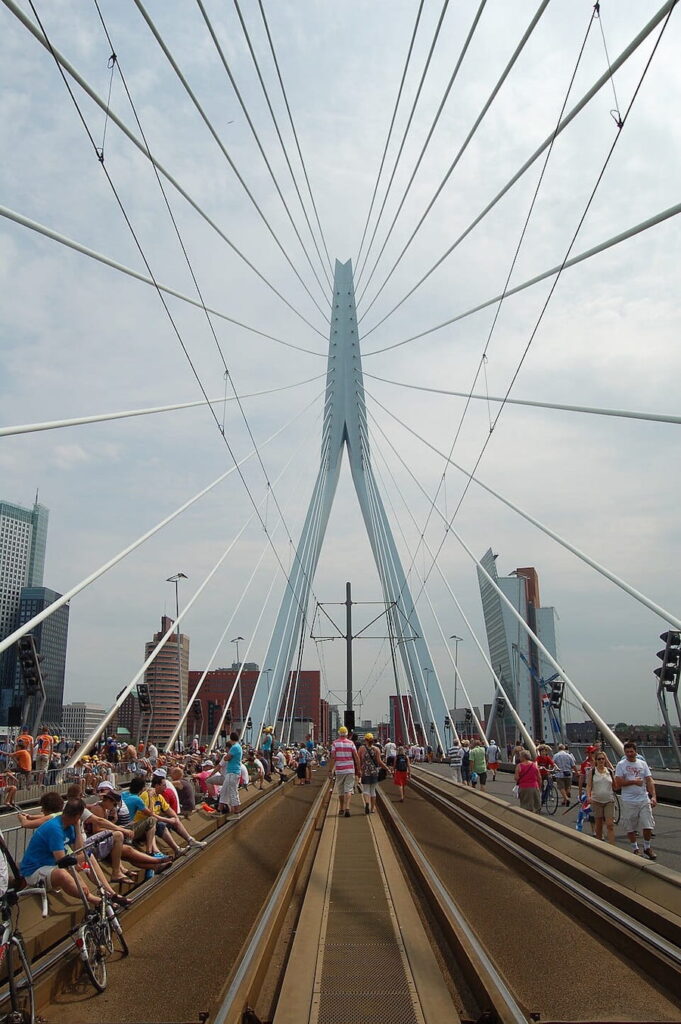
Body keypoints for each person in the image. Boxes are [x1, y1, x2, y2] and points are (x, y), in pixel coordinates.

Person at [19, 798, 101, 906]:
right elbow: (63, 862)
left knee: (88, 856)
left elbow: (79, 851)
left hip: (50, 865)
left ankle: (104, 890)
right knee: (63, 874)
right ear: (78, 816)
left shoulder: (69, 825)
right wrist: (80, 883)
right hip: (34, 870)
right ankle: (93, 899)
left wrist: (77, 827)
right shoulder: (54, 828)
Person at [614, 740, 657, 859]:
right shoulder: (621, 765)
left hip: (643, 798)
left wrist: (653, 796)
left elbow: (649, 780)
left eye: (631, 751)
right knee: (630, 826)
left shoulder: (642, 764)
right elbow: (618, 782)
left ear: (635, 752)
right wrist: (633, 781)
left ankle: (647, 847)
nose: (629, 754)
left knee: (648, 824)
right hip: (628, 800)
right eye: (627, 752)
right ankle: (635, 848)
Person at [329, 726, 360, 817]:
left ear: (339, 733)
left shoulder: (335, 743)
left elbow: (333, 757)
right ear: (347, 734)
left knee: (341, 790)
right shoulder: (351, 743)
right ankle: (347, 808)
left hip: (339, 770)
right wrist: (358, 769)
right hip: (350, 769)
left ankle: (341, 808)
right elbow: (356, 757)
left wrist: (330, 770)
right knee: (349, 790)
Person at [356, 733, 390, 814]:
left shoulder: (361, 749)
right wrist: (387, 768)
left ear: (365, 740)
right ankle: (372, 808)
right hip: (374, 772)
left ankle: (367, 803)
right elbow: (379, 762)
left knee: (366, 790)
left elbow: (358, 760)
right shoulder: (376, 749)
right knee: (373, 791)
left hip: (365, 772)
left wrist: (359, 770)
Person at [587, 752, 616, 844]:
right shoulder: (592, 772)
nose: (601, 761)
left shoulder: (609, 771)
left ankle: (612, 847)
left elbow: (615, 785)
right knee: (599, 826)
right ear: (596, 760)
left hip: (609, 801)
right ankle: (600, 846)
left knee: (610, 825)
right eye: (599, 759)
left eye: (603, 759)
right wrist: (588, 796)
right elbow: (589, 786)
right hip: (596, 801)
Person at [219, 731, 243, 815]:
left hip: (232, 772)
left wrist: (226, 757)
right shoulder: (239, 747)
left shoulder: (234, 747)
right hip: (233, 772)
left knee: (233, 792)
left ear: (231, 738)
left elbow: (226, 758)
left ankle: (236, 812)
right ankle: (219, 809)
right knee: (224, 791)